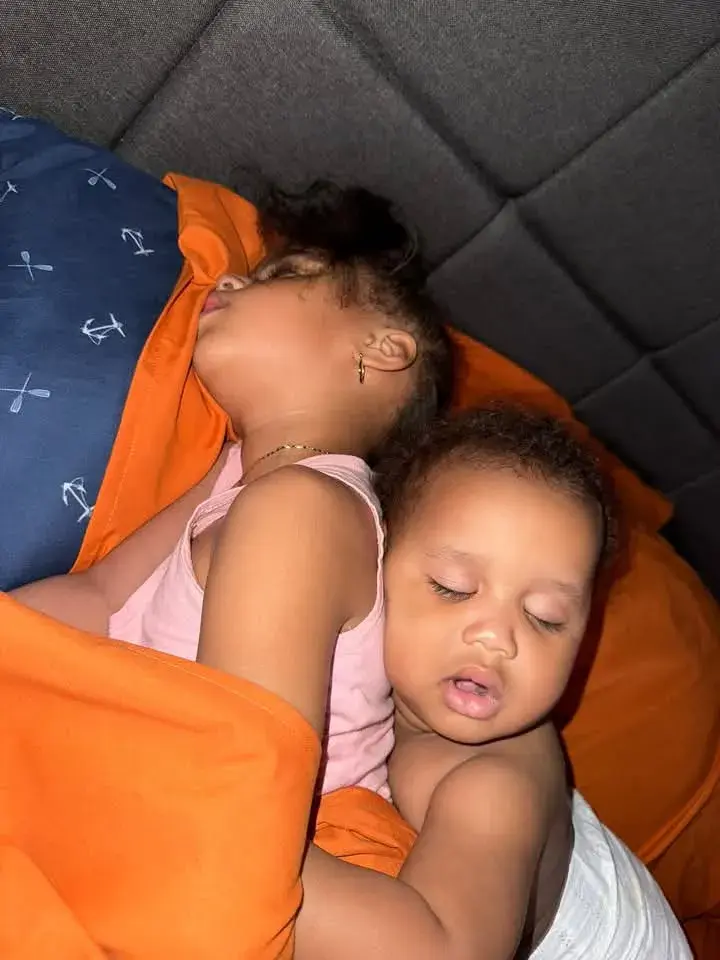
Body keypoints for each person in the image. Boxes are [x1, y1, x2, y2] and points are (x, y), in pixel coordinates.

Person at [11, 179, 455, 798]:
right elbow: (100, 596)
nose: (227, 280)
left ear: (381, 350)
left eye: (284, 276)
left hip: (239, 827)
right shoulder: (230, 478)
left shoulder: (307, 508)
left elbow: (233, 783)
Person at [293, 406, 692, 959]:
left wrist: (232, 826)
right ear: (373, 564)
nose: (498, 638)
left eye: (545, 618)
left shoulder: (489, 786)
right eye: (453, 588)